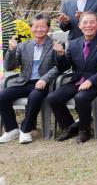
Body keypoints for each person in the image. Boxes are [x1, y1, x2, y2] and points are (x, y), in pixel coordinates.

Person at [47, 12, 97, 143]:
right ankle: (71, 127)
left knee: (81, 97)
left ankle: (84, 130)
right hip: (77, 80)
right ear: (79, 25)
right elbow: (64, 67)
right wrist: (61, 54)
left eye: (91, 22)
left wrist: (91, 80)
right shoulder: (73, 43)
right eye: (85, 22)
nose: (88, 25)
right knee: (53, 98)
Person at [0, 15, 60, 144]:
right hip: (24, 81)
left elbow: (58, 67)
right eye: (36, 26)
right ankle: (11, 129)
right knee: (2, 96)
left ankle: (25, 130)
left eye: (43, 26)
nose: (39, 29)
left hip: (43, 83)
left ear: (48, 28)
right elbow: (9, 66)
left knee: (34, 97)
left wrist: (44, 79)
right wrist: (11, 50)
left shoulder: (55, 44)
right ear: (30, 28)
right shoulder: (23, 46)